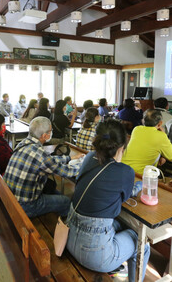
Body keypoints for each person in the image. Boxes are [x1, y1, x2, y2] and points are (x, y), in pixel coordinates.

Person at [66, 119, 150, 281]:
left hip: (70, 239)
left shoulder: (89, 157)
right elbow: (125, 196)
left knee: (121, 225)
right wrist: (139, 186)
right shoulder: (125, 171)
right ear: (121, 147)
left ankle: (115, 264)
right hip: (94, 256)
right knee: (142, 244)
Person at [3, 117, 84, 218]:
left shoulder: (23, 144)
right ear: (45, 136)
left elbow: (48, 161)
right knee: (66, 201)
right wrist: (83, 164)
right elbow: (66, 172)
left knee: (54, 191)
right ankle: (65, 226)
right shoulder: (41, 155)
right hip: (26, 206)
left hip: (10, 196)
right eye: (51, 131)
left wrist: (69, 158)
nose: (51, 133)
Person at [122, 109, 172, 175]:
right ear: (160, 123)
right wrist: (164, 134)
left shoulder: (136, 129)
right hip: (140, 175)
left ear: (143, 120)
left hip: (123, 169)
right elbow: (171, 156)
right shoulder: (161, 136)